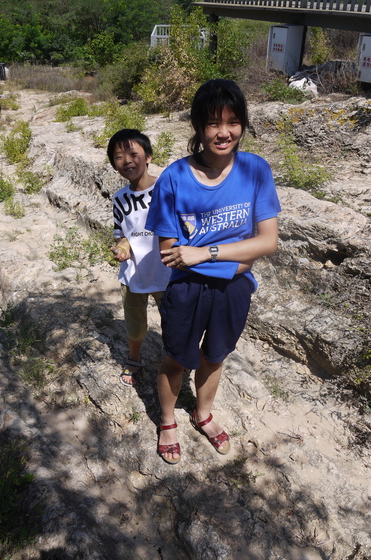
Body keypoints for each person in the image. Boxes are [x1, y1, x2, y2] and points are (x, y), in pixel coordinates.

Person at [145, 79, 281, 464]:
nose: (224, 132)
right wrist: (237, 256)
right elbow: (171, 254)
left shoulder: (255, 170)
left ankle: (202, 413)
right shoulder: (174, 177)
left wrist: (206, 253)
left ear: (243, 124)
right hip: (186, 289)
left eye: (233, 122)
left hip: (234, 288)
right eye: (213, 123)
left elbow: (268, 241)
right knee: (176, 358)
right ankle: (168, 419)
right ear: (198, 126)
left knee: (215, 356)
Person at [108, 129, 171, 387]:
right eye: (119, 156)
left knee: (173, 323)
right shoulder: (120, 198)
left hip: (168, 273)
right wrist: (122, 249)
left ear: (148, 157)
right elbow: (121, 234)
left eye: (134, 153)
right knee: (134, 323)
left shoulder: (167, 189)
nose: (127, 161)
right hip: (133, 274)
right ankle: (135, 358)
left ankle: (171, 363)